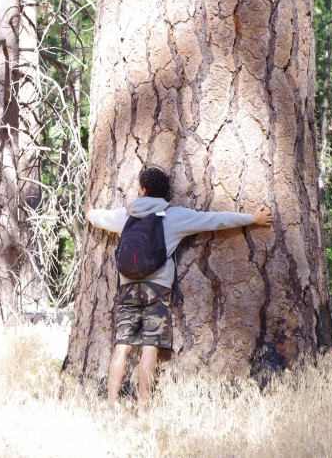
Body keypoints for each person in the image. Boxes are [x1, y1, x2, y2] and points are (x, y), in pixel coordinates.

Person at [86, 167, 273, 407]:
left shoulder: (126, 215)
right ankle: (144, 405)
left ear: (142, 190)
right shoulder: (173, 215)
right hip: (157, 287)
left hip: (129, 287)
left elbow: (100, 217)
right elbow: (214, 220)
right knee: (150, 346)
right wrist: (252, 218)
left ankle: (111, 404)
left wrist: (90, 212)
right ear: (166, 193)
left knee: (122, 344)